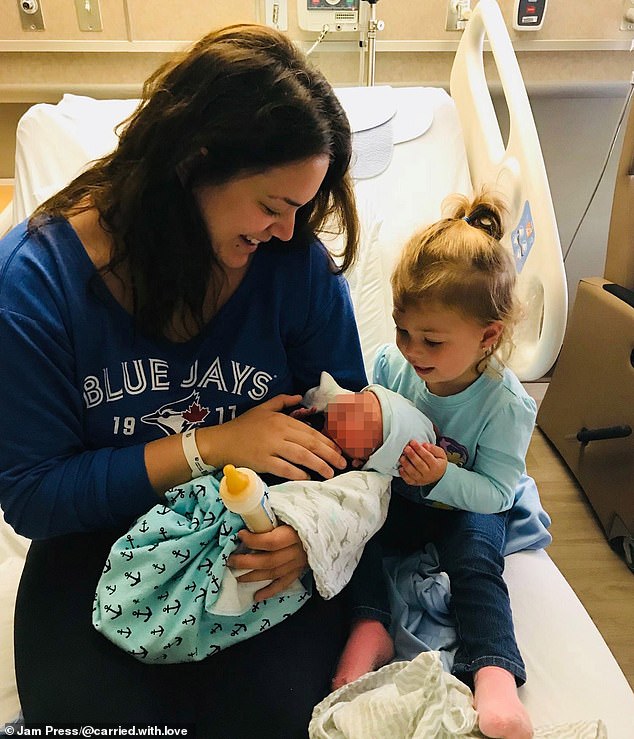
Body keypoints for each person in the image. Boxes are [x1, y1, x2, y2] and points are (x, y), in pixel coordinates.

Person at [0, 24, 369, 736]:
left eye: (301, 208)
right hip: (94, 547)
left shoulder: (292, 271)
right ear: (194, 164)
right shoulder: (35, 287)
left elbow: (352, 432)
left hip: (260, 539)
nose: (290, 233)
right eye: (271, 206)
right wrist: (217, 444)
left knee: (275, 720)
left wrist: (312, 529)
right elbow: (35, 497)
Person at [332, 190, 538, 739]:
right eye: (403, 331)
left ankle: (493, 669)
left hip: (464, 508)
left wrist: (444, 476)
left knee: (476, 565)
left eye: (431, 340)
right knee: (357, 534)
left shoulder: (504, 404)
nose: (412, 350)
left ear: (487, 337)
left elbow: (498, 492)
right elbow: (370, 432)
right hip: (403, 498)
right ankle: (371, 625)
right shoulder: (390, 366)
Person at [92, 373, 436, 665]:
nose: (348, 406)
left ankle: (184, 615)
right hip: (215, 498)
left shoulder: (349, 480)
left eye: (363, 419)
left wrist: (308, 537)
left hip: (260, 538)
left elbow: (342, 521)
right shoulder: (308, 416)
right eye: (356, 401)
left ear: (368, 456)